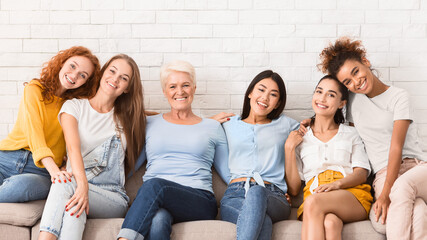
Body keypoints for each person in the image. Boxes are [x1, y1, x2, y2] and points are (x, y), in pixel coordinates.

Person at [317, 37, 427, 239]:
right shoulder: (352, 100)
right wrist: (311, 121)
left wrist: (385, 196)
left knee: (402, 189)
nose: (356, 82)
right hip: (383, 174)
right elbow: (330, 107)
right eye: (347, 82)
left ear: (365, 62)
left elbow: (396, 148)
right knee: (417, 210)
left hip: (416, 168)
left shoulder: (399, 97)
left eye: (356, 71)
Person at [117, 60, 229, 240]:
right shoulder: (150, 124)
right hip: (157, 200)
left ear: (194, 88)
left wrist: (270, 187)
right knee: (158, 221)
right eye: (172, 86)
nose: (180, 91)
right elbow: (130, 167)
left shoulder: (212, 127)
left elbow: (229, 173)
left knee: (154, 185)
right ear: (164, 91)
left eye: (185, 85)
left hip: (199, 200)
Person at [38, 54, 146, 239]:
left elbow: (169, 118)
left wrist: (205, 120)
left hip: (111, 196)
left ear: (127, 88)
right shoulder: (73, 107)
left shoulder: (129, 118)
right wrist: (83, 188)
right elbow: (73, 149)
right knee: (74, 210)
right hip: (77, 186)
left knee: (64, 185)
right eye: (112, 71)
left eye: (124, 78)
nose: (115, 79)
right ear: (103, 72)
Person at [0, 46, 100, 203]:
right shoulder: (34, 89)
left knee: (20, 187)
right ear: (62, 63)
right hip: (7, 158)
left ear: (86, 83)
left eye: (82, 75)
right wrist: (55, 170)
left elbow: (106, 110)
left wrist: (60, 168)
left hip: (40, 170)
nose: (74, 75)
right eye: (72, 66)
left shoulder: (75, 106)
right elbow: (35, 133)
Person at [287, 75, 372, 240]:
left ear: (341, 104)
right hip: (315, 192)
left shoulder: (350, 133)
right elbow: (294, 189)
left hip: (351, 193)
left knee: (313, 202)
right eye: (319, 92)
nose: (322, 98)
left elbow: (361, 173)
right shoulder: (300, 137)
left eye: (331, 95)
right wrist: (289, 148)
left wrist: (337, 184)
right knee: (330, 223)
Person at [220, 70, 298, 240]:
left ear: (277, 103)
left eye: (273, 95)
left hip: (273, 196)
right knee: (265, 223)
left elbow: (318, 128)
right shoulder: (229, 124)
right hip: (235, 195)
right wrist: (210, 120)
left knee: (257, 192)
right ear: (250, 92)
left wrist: (308, 123)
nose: (265, 98)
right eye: (261, 90)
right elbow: (194, 125)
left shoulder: (286, 124)